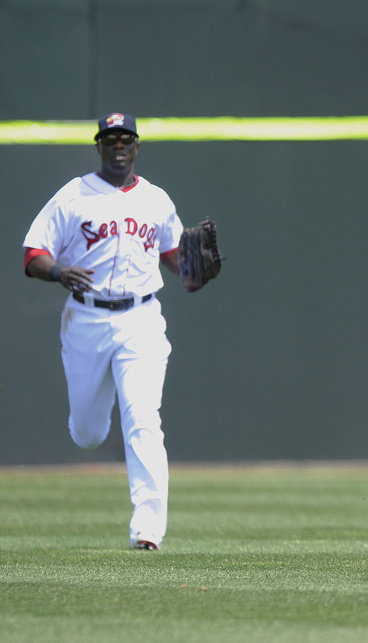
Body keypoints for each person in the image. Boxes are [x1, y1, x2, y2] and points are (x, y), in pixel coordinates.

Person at [22, 112, 186, 550]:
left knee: (143, 418)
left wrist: (191, 271)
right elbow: (32, 252)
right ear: (99, 146)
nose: (117, 146)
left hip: (141, 319)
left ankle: (148, 527)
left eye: (125, 139)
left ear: (136, 147)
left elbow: (173, 254)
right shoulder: (73, 196)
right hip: (87, 319)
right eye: (109, 138)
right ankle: (87, 421)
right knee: (89, 434)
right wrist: (56, 271)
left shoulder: (156, 199)